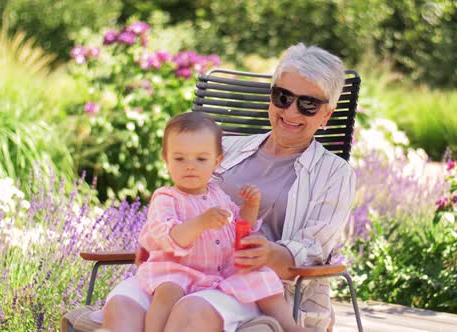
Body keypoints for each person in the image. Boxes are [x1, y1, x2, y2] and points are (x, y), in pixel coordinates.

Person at [95, 42, 356, 332]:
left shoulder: (334, 173)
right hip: (183, 270)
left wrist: (270, 254)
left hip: (256, 285)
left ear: (326, 116)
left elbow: (314, 249)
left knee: (191, 311)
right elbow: (182, 200)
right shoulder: (225, 148)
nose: (291, 112)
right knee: (122, 305)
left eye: (308, 104)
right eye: (282, 97)